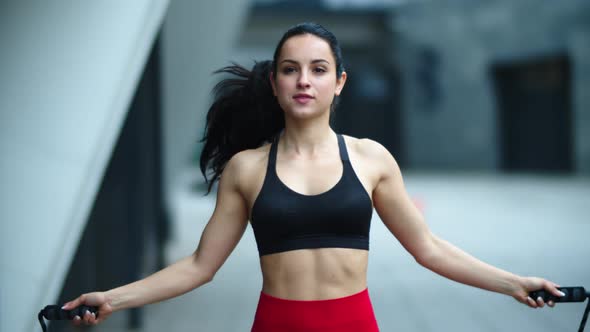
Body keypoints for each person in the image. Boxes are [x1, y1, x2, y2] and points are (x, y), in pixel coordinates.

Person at [62, 22, 563, 331]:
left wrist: (513, 283)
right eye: (291, 69)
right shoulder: (248, 168)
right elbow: (199, 266)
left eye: (319, 69)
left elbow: (428, 248)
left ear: (338, 82)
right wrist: (114, 298)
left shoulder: (371, 159)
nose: (305, 80)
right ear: (276, 83)